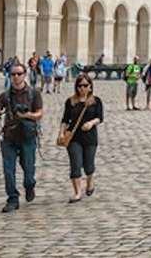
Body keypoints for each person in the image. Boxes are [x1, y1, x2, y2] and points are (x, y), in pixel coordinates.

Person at [0, 62, 43, 212]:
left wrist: (27, 115)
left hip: (28, 136)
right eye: (13, 74)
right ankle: (12, 198)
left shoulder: (34, 93)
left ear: (25, 75)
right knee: (8, 169)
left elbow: (39, 113)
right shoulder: (5, 95)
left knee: (28, 168)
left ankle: (29, 184)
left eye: (19, 74)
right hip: (10, 136)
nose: (16, 77)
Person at [58, 74, 104, 203]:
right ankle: (77, 192)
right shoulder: (71, 101)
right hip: (73, 137)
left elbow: (100, 117)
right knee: (75, 164)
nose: (82, 88)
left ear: (90, 87)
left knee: (89, 165)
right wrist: (61, 133)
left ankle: (89, 182)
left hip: (90, 138)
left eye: (85, 85)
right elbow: (65, 119)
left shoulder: (96, 101)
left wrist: (91, 123)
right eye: (79, 86)